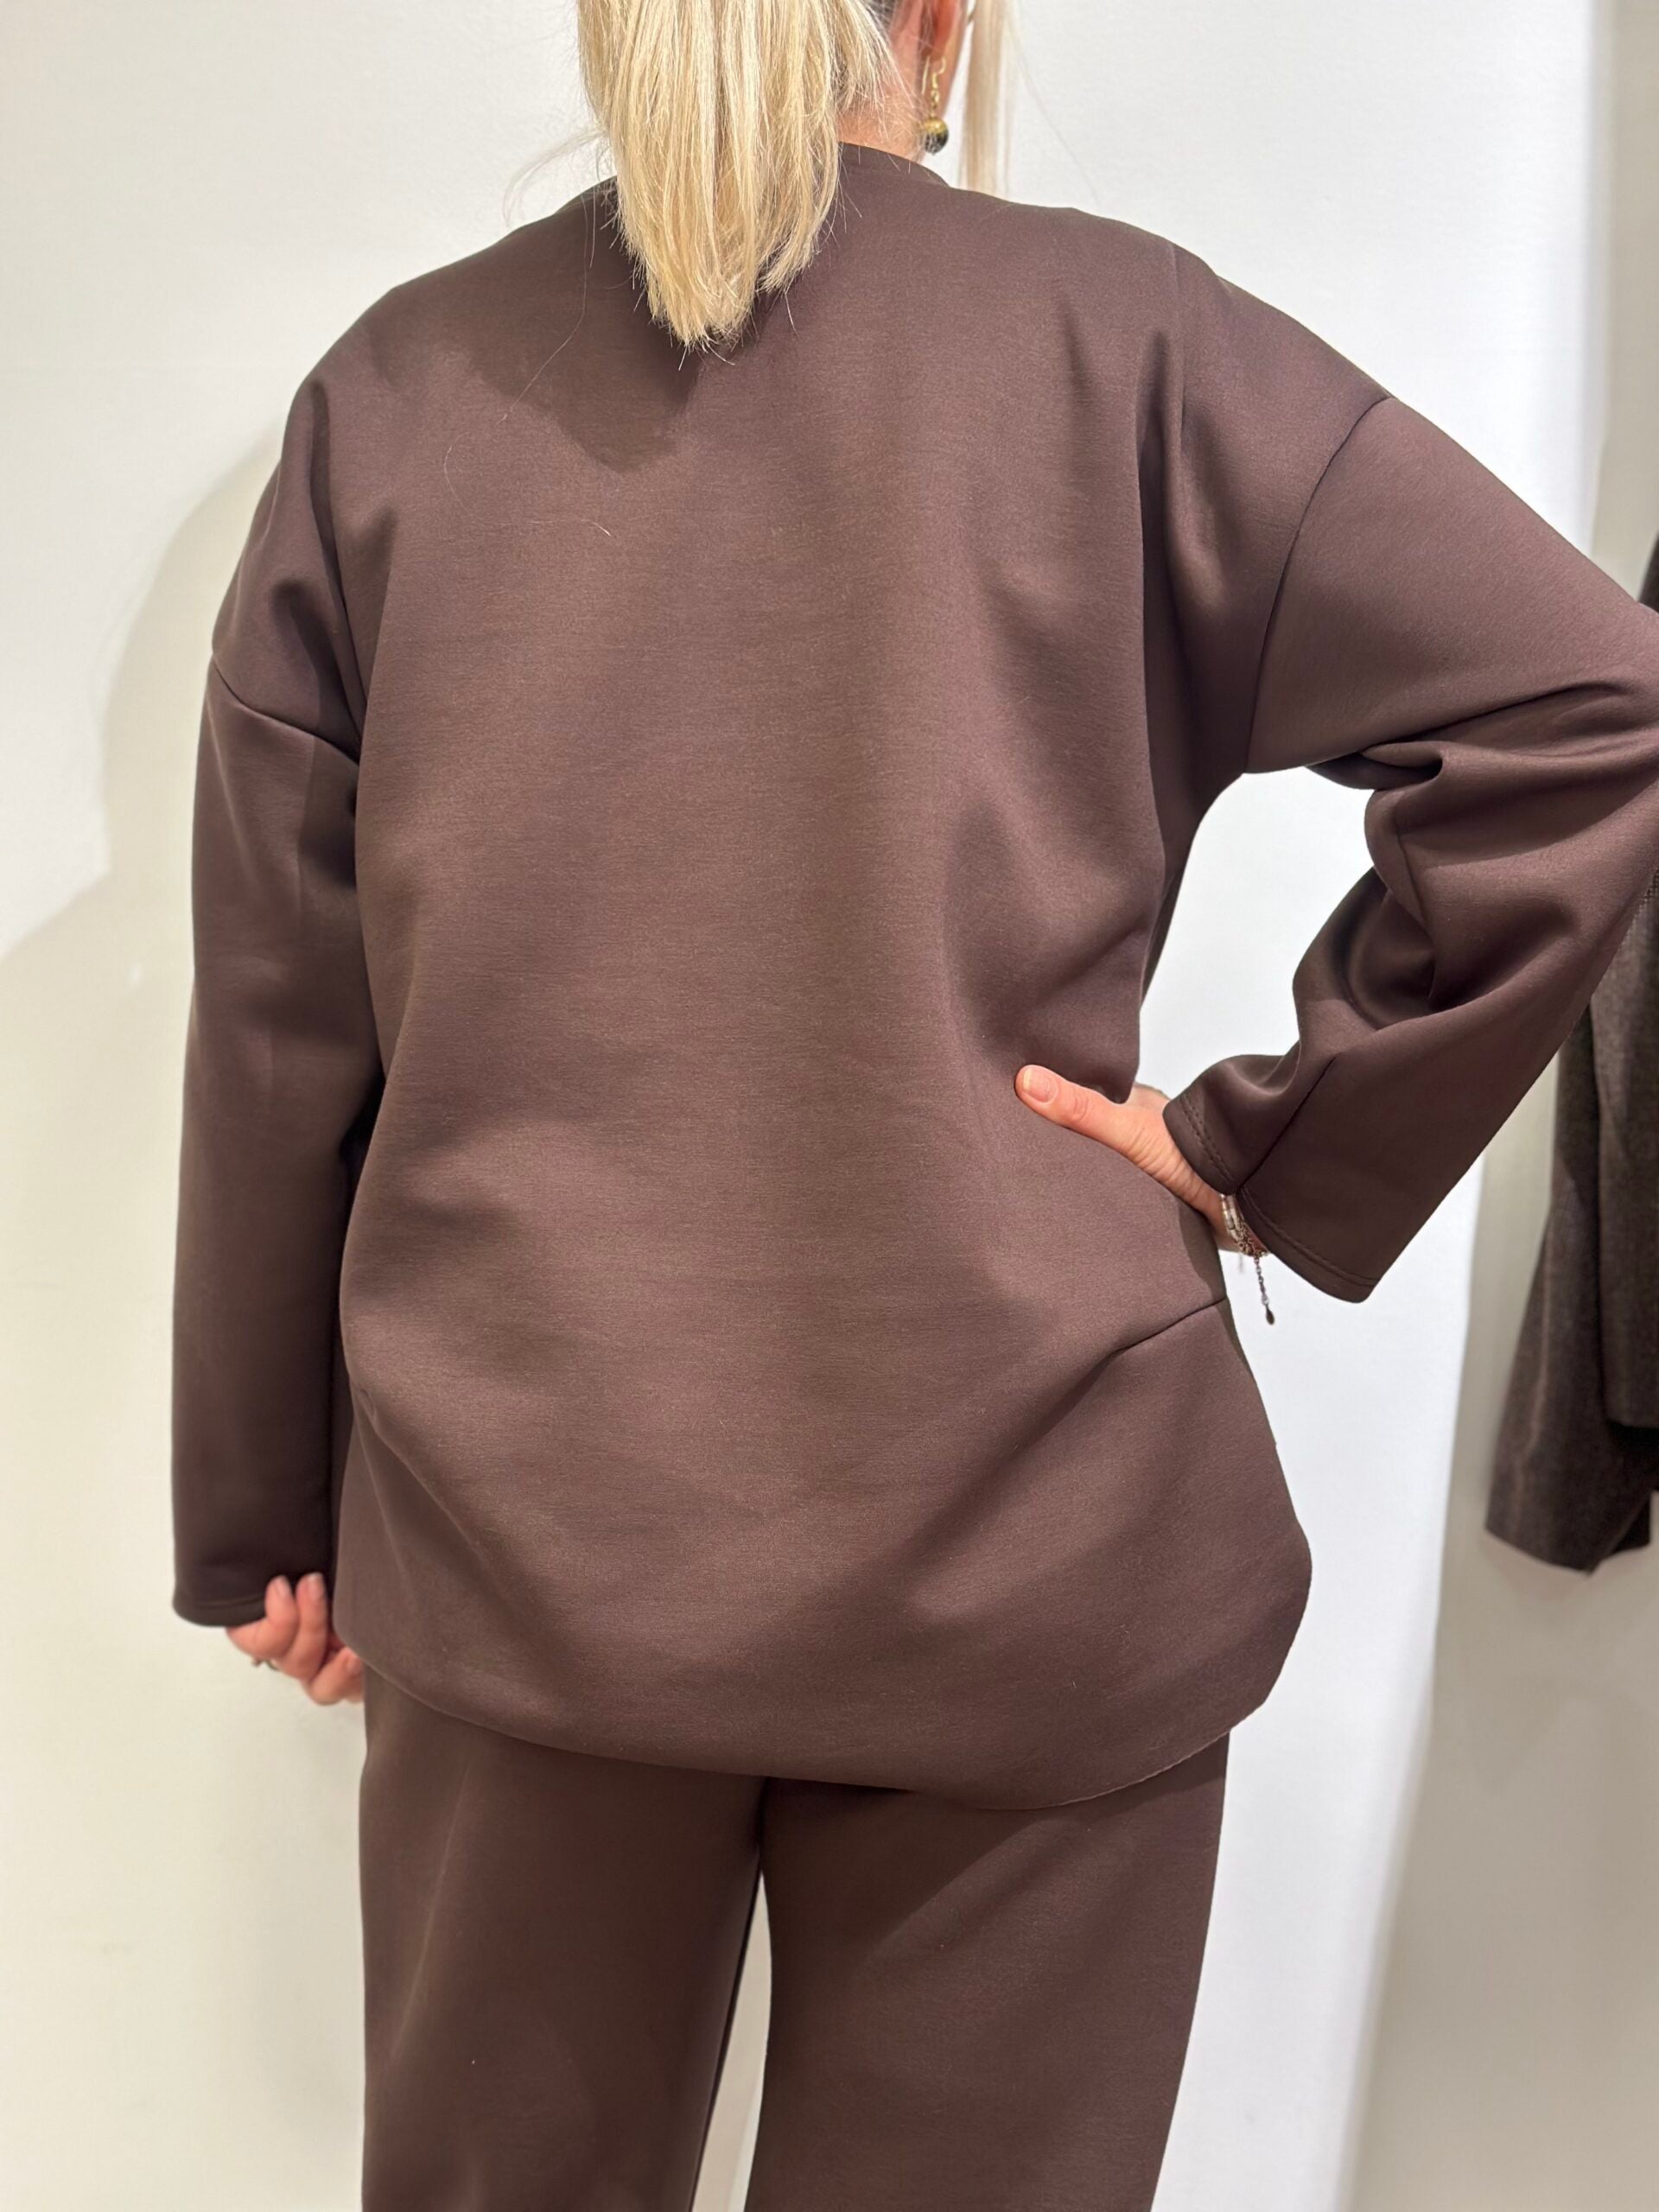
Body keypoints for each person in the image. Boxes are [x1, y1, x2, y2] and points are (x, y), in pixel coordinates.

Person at [168, 2, 1659, 2206]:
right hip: (1039, 1534)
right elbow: (1593, 706)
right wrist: (1268, 1146)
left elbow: (279, 1021)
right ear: (942, 20)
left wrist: (265, 1512)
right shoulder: (1134, 351)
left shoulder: (397, 398)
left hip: (527, 1535)